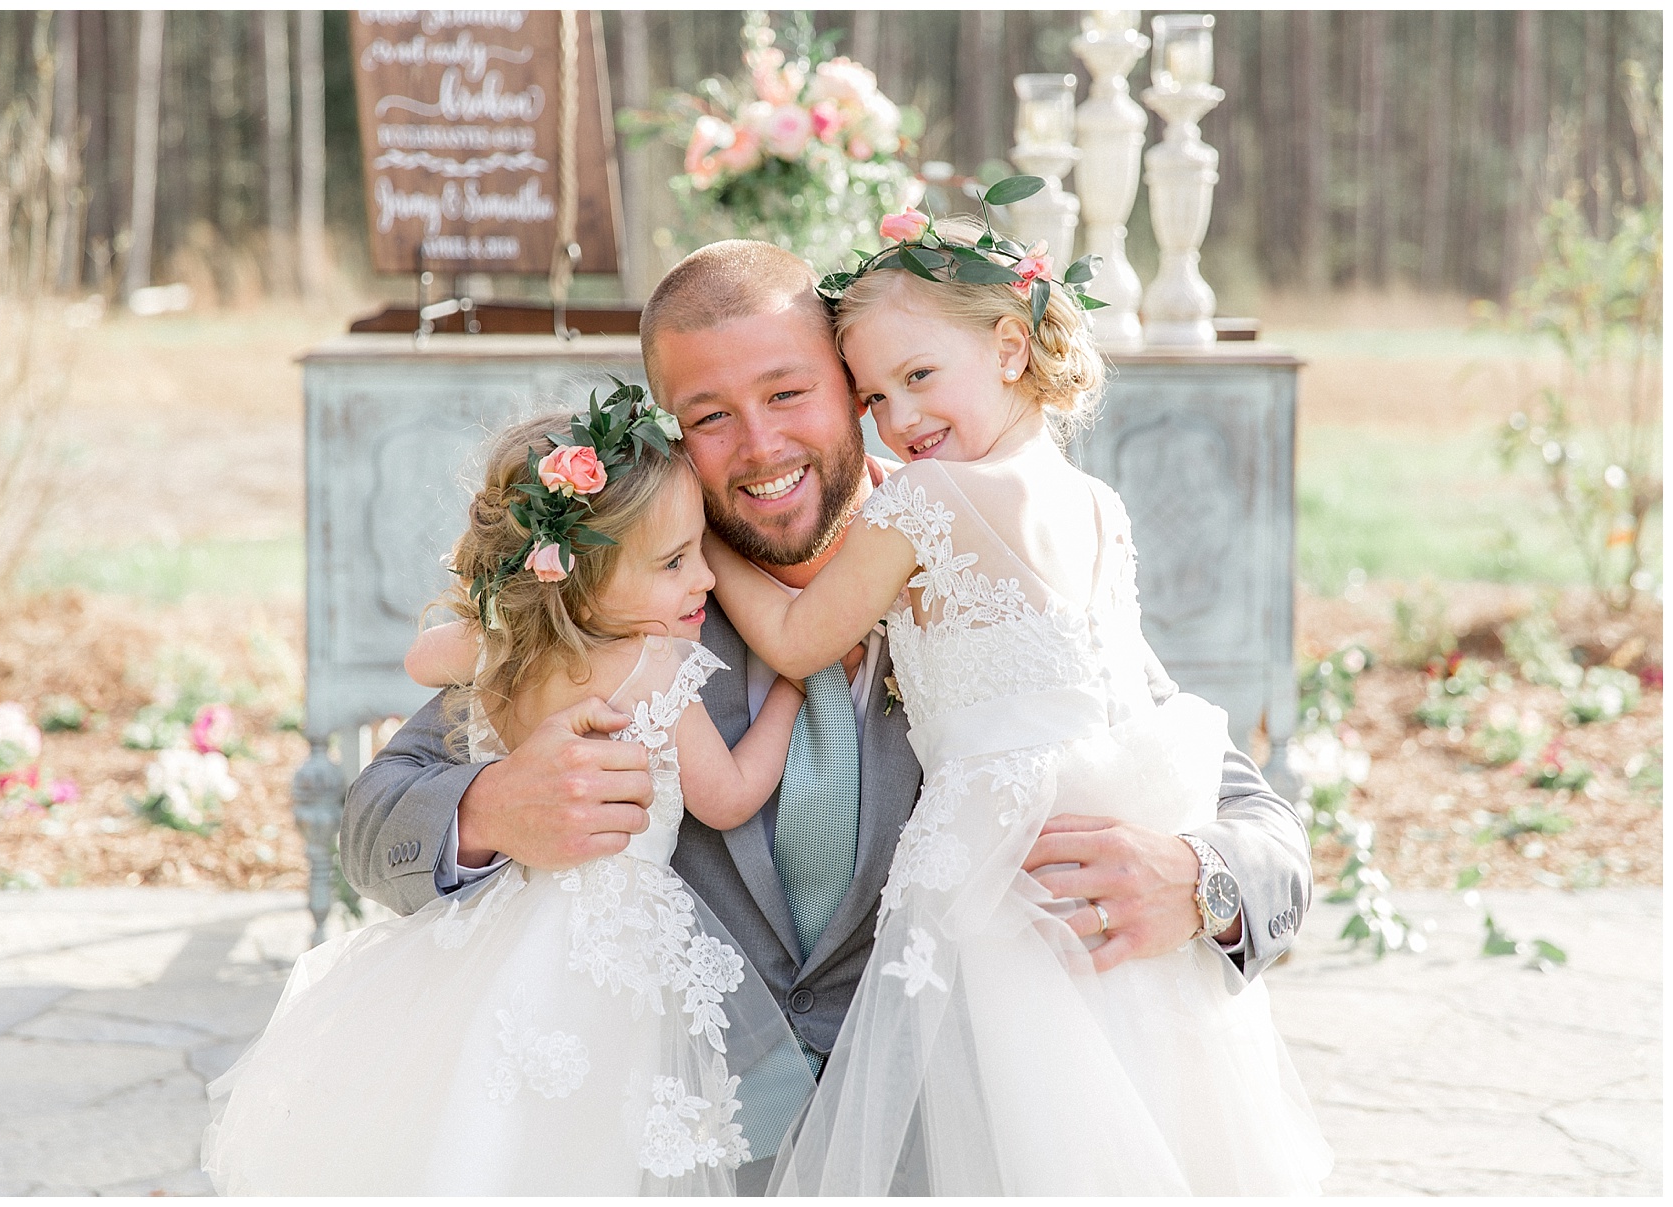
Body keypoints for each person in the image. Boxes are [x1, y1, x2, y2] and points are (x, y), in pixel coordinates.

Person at [342, 226, 1316, 1194]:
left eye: (789, 393)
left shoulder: (985, 562)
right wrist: (491, 812)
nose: (762, 445)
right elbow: (376, 815)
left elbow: (1256, 825)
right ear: (673, 434)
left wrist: (1200, 885)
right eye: (711, 415)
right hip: (677, 1137)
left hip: (950, 1145)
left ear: (857, 392)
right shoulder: (625, 606)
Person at [701, 204, 1332, 1193]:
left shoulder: (923, 502)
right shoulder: (1096, 506)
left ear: (1006, 346)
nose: (899, 422)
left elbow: (790, 635)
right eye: (873, 399)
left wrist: (694, 541)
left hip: (999, 875)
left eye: (918, 378)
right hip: (1101, 866)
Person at [203, 392, 816, 1194]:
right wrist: (794, 691)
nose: (704, 575)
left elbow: (427, 654)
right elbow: (729, 794)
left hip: (500, 942)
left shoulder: (509, 656)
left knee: (484, 1125)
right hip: (617, 956)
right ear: (583, 580)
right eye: (674, 562)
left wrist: (527, 618)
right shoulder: (656, 666)